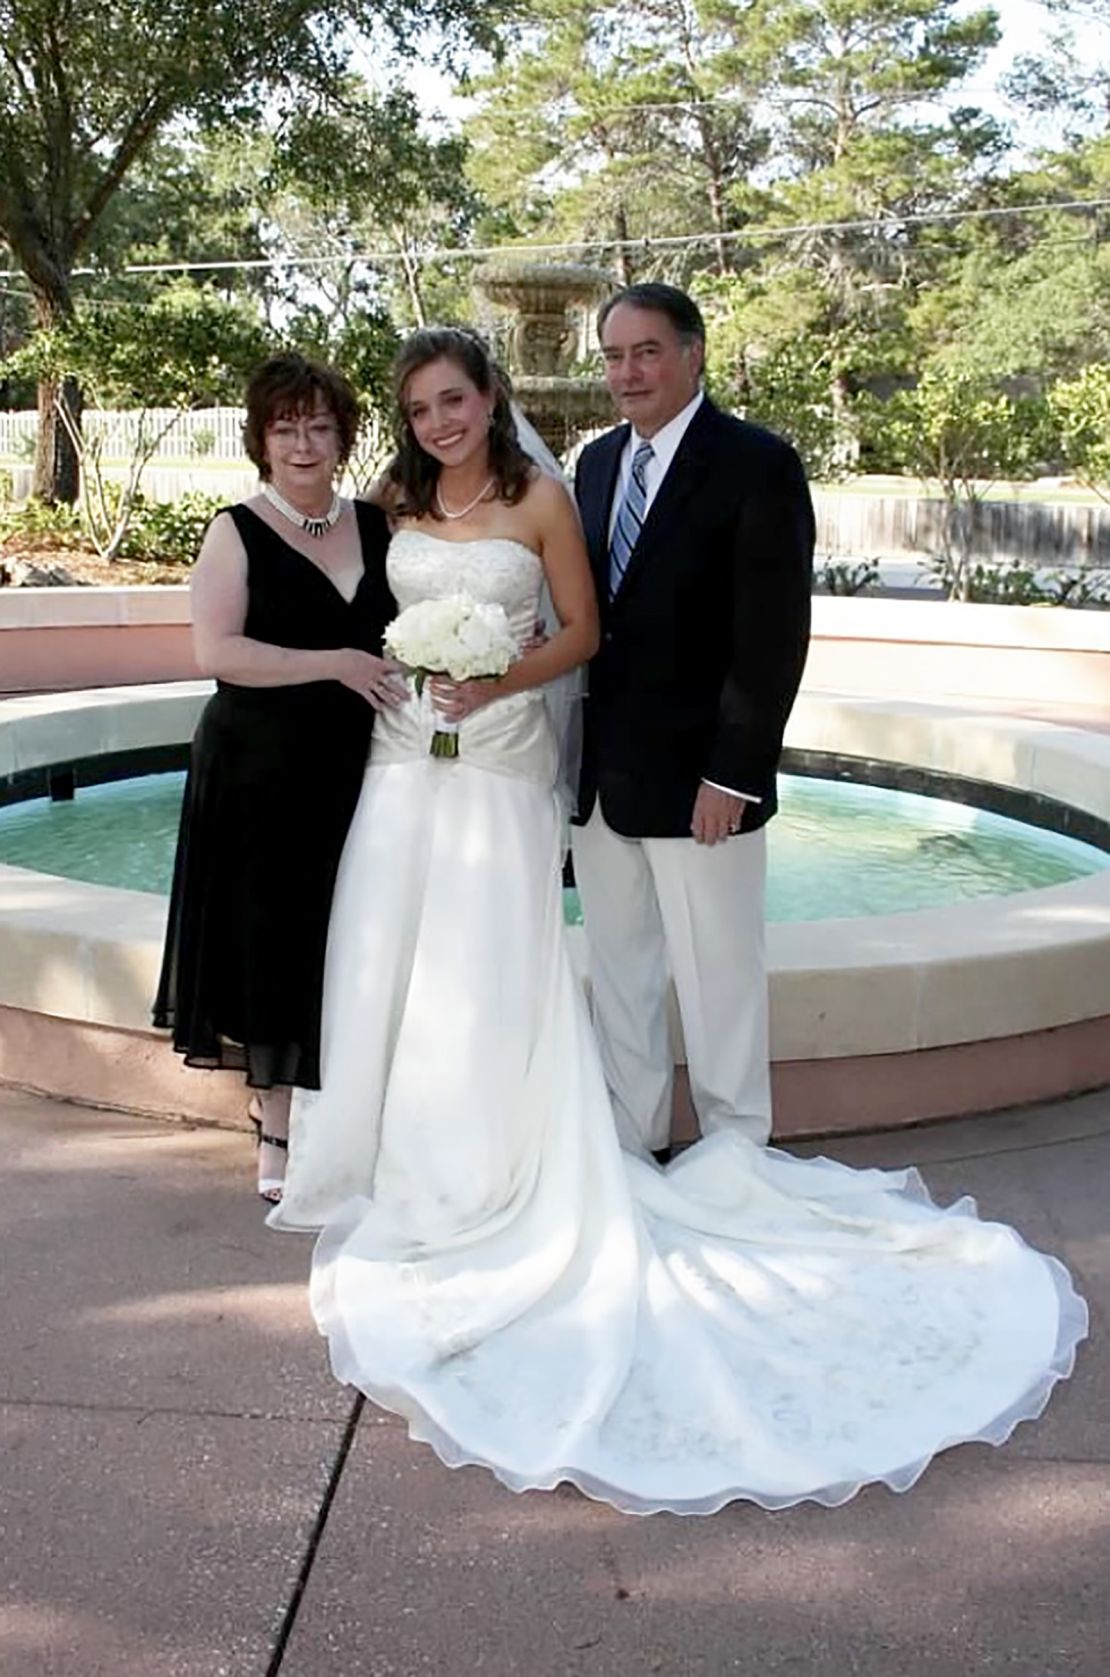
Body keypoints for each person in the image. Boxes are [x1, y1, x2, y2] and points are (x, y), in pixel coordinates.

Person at [270, 326, 1084, 1518]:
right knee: (517, 971)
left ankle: (725, 1156)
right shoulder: (549, 473)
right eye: (420, 404)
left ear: (492, 396)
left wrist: (715, 761)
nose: (440, 418)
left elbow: (695, 631)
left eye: (455, 397)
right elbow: (324, 541)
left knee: (626, 971)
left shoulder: (687, 472)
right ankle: (581, 1133)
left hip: (564, 761)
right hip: (443, 768)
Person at [572, 282, 814, 1160]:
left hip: (704, 784)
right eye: (614, 355)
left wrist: (734, 774)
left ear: (693, 353)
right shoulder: (596, 464)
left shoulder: (758, 463)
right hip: (602, 787)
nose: (628, 372)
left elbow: (774, 639)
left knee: (720, 986)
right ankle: (631, 1153)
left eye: (646, 351)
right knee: (621, 979)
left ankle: (737, 1160)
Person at [153, 352, 403, 1201]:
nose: (303, 443)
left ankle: (351, 1112)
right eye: (285, 426)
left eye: (320, 425)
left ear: (343, 435)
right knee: (270, 938)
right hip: (257, 764)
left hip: (354, 766)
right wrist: (336, 659)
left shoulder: (375, 526)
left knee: (342, 933)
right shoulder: (236, 527)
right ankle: (277, 1122)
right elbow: (216, 652)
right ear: (261, 438)